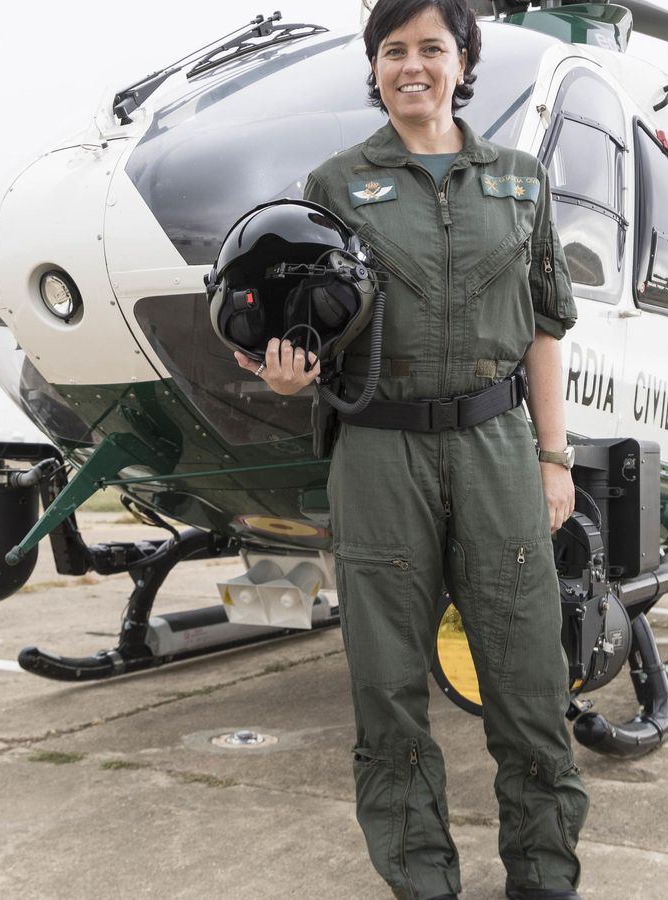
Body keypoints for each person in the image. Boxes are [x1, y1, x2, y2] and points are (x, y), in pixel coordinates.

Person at [232, 1, 589, 897]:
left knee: (530, 685)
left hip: (499, 447)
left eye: (432, 47)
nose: (413, 66)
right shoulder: (334, 185)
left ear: (464, 62)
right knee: (388, 692)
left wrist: (555, 457)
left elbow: (546, 328)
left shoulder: (517, 181)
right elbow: (304, 319)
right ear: (376, 67)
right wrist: (288, 375)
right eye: (393, 51)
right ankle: (421, 880)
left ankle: (543, 877)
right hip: (380, 451)